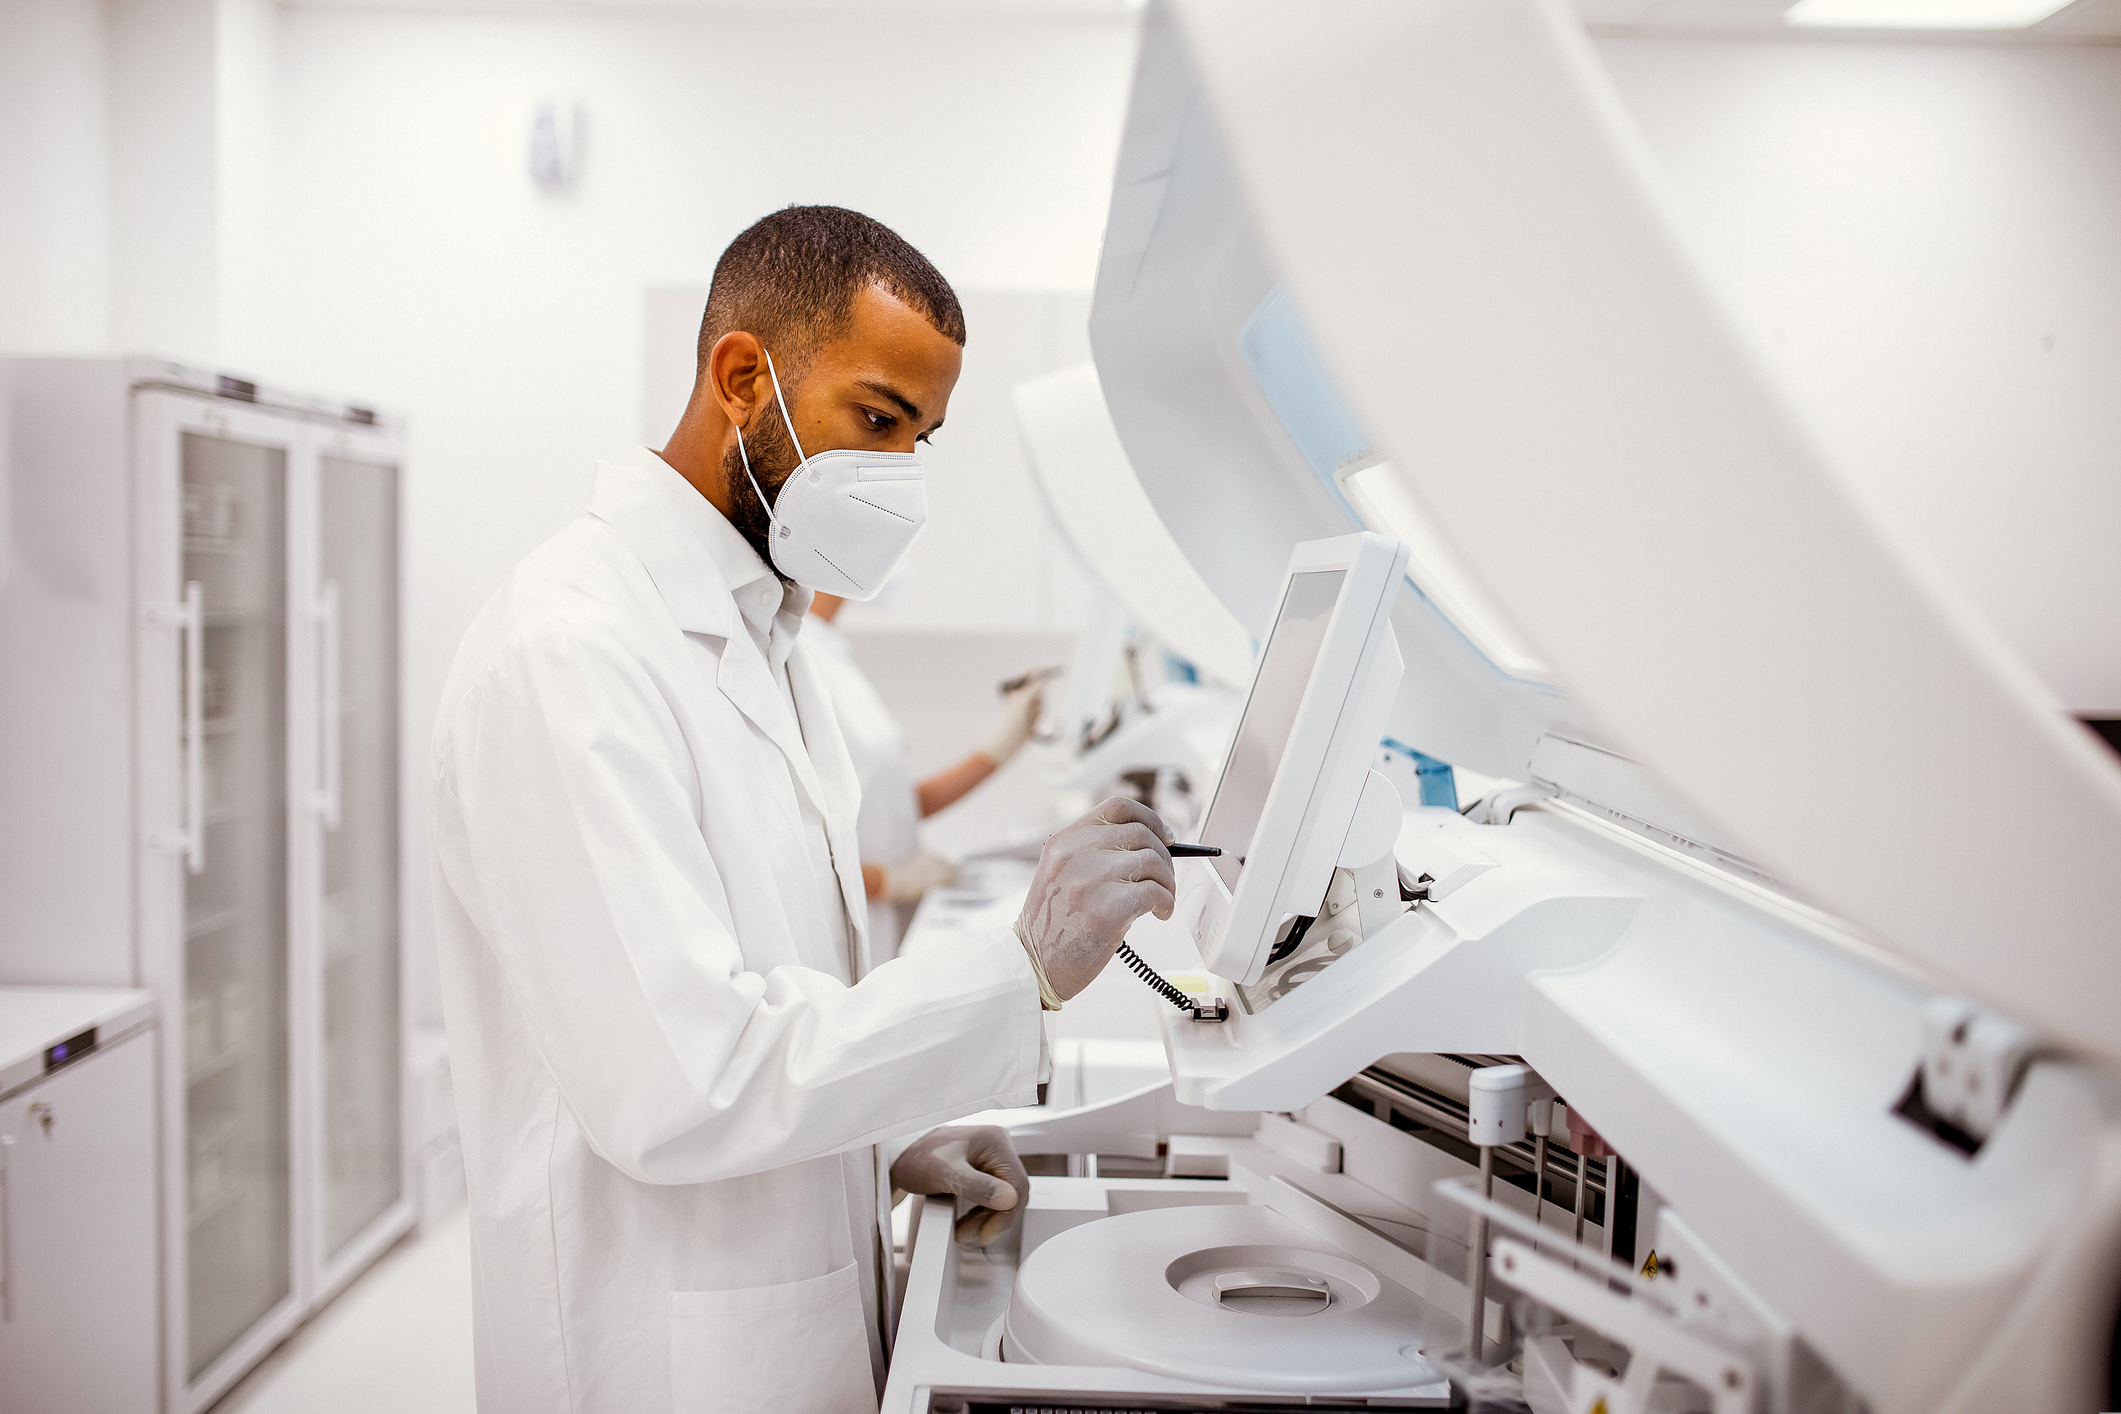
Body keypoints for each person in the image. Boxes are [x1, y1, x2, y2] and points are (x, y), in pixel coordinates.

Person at [430, 206, 1178, 1414]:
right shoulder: (569, 651)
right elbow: (685, 1081)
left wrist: (887, 1145)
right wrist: (1018, 969)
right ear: (742, 377)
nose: (899, 475)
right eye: (877, 420)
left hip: (767, 1309)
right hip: (657, 1357)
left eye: (921, 438)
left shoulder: (767, 637)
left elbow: (781, 991)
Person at [803, 588, 1046, 963]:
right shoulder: (792, 655)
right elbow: (788, 839)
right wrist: (887, 882)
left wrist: (1003, 746)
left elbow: (885, 805)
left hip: (876, 930)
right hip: (834, 934)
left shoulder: (826, 649)